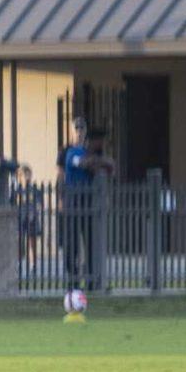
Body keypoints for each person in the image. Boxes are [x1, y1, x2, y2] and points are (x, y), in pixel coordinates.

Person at [56, 117, 112, 318]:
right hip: (72, 201)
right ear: (72, 131)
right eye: (76, 128)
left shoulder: (91, 152)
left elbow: (104, 169)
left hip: (88, 201)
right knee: (71, 244)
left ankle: (91, 281)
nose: (79, 131)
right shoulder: (70, 152)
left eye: (82, 128)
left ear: (85, 132)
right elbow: (78, 164)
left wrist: (99, 162)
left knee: (90, 241)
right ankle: (73, 282)